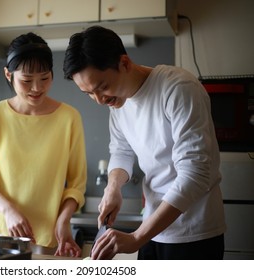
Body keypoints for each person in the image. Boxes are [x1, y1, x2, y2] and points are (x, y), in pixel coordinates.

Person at [63, 25, 226, 260]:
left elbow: (195, 173)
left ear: (125, 63)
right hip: (153, 228)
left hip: (193, 233)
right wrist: (113, 187)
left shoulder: (178, 88)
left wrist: (137, 237)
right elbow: (121, 151)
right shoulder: (117, 101)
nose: (99, 100)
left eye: (102, 87)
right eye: (88, 93)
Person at [0, 32, 87, 257]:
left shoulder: (69, 118)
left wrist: (64, 220)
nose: (37, 87)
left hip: (48, 235)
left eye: (45, 78)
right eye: (26, 80)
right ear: (8, 74)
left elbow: (76, 184)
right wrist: (8, 210)